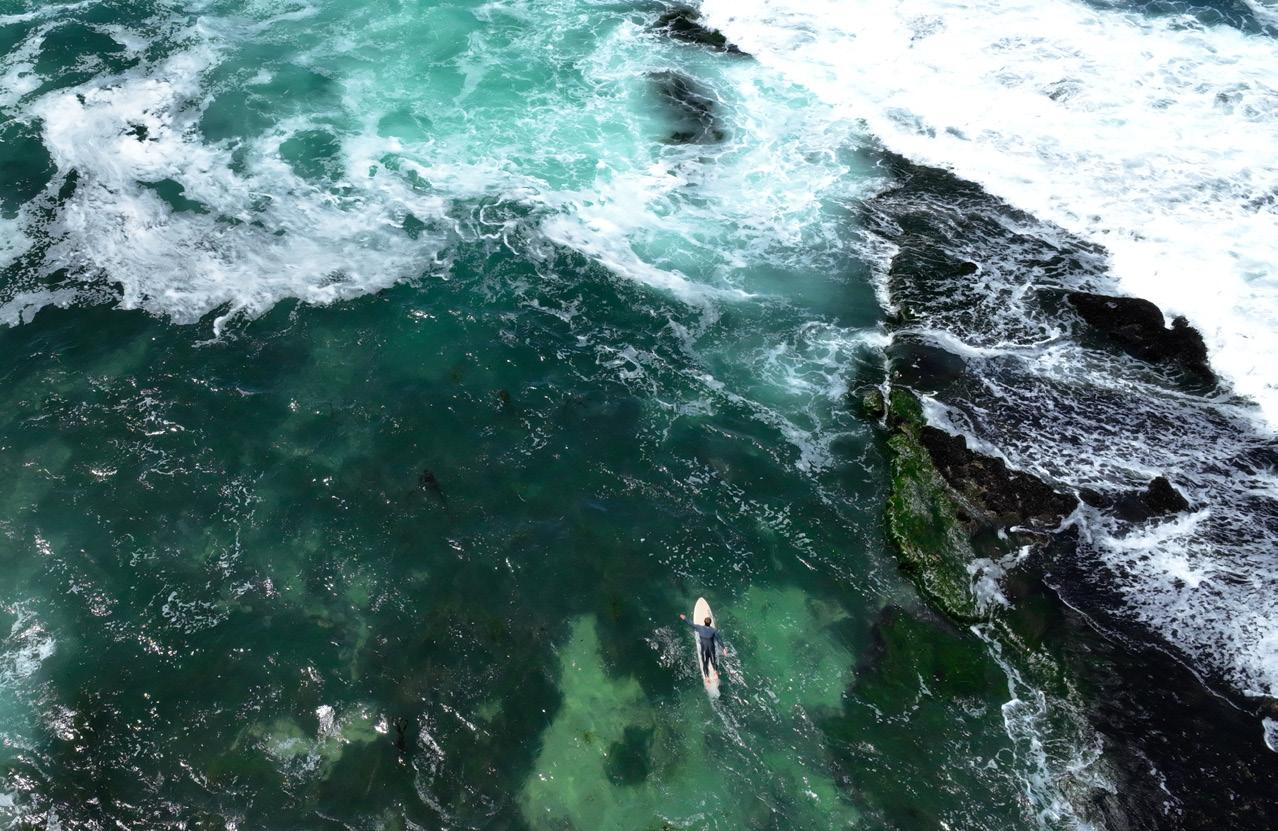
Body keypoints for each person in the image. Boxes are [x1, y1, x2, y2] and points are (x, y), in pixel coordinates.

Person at [680, 612, 727, 677]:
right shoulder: (714, 630)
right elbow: (719, 640)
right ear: (710, 623)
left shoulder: (699, 628)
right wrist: (724, 648)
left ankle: (707, 677)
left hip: (704, 649)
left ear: (704, 622)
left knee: (705, 663)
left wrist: (685, 618)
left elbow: (691, 624)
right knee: (713, 661)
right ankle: (715, 672)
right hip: (711, 649)